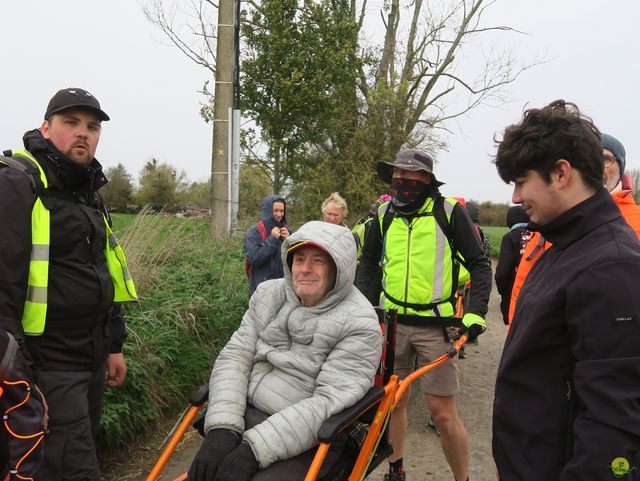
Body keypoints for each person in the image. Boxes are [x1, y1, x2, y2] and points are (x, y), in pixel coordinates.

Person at [492, 100, 640, 480]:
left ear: (561, 173)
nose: (515, 198)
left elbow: (615, 425)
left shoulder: (612, 266)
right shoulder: (563, 245)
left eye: (522, 181)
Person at [0, 87, 137, 480]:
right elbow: (4, 283)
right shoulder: (19, 182)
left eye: (92, 127)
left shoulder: (88, 192)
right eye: (71, 123)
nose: (84, 133)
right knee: (70, 470)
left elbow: (103, 275)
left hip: (90, 362)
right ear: (46, 128)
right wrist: (13, 370)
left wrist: (114, 346)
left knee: (70, 459)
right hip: (47, 366)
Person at [188, 221, 383, 481]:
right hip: (246, 413)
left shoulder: (359, 323)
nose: (305, 269)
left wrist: (252, 451)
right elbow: (236, 356)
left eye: (318, 261)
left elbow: (328, 404)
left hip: (311, 438)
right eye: (299, 259)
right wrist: (222, 428)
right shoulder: (268, 294)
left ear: (340, 269)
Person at [355, 149, 492, 481]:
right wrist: (361, 310)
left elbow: (479, 263)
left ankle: (463, 478)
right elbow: (369, 265)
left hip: (437, 327)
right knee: (395, 403)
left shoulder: (449, 213)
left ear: (427, 181)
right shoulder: (384, 214)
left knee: (442, 414)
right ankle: (396, 469)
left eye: (411, 177)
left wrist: (475, 314)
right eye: (398, 176)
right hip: (392, 324)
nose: (403, 182)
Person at [244, 195, 290, 296]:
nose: (279, 214)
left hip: (284, 290)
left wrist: (290, 241)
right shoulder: (254, 232)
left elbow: (296, 260)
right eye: (275, 211)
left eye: (282, 211)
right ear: (268, 211)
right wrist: (272, 239)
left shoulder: (286, 231)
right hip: (262, 291)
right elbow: (254, 259)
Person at [493, 205, 530, 325]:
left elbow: (502, 273)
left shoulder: (510, 238)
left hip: (515, 293)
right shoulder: (538, 236)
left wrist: (503, 291)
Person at [602, 133, 640, 234]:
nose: (597, 166)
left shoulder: (638, 219)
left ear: (620, 170)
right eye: (590, 159)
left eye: (605, 159)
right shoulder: (562, 219)